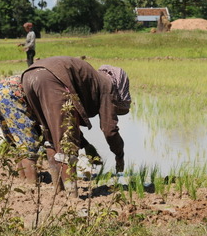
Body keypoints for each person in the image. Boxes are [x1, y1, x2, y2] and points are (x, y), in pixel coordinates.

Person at [21, 56, 131, 196]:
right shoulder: (107, 86)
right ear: (119, 86)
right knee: (68, 140)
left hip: (29, 76)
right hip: (52, 77)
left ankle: (58, 190)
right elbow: (109, 129)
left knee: (51, 135)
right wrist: (119, 155)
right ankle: (72, 194)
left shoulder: (94, 79)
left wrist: (87, 146)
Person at [0, 74, 104, 183]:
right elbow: (64, 128)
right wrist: (86, 146)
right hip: (11, 94)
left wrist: (86, 145)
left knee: (19, 141)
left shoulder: (56, 88)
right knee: (28, 145)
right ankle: (31, 184)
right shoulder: (59, 97)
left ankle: (22, 180)